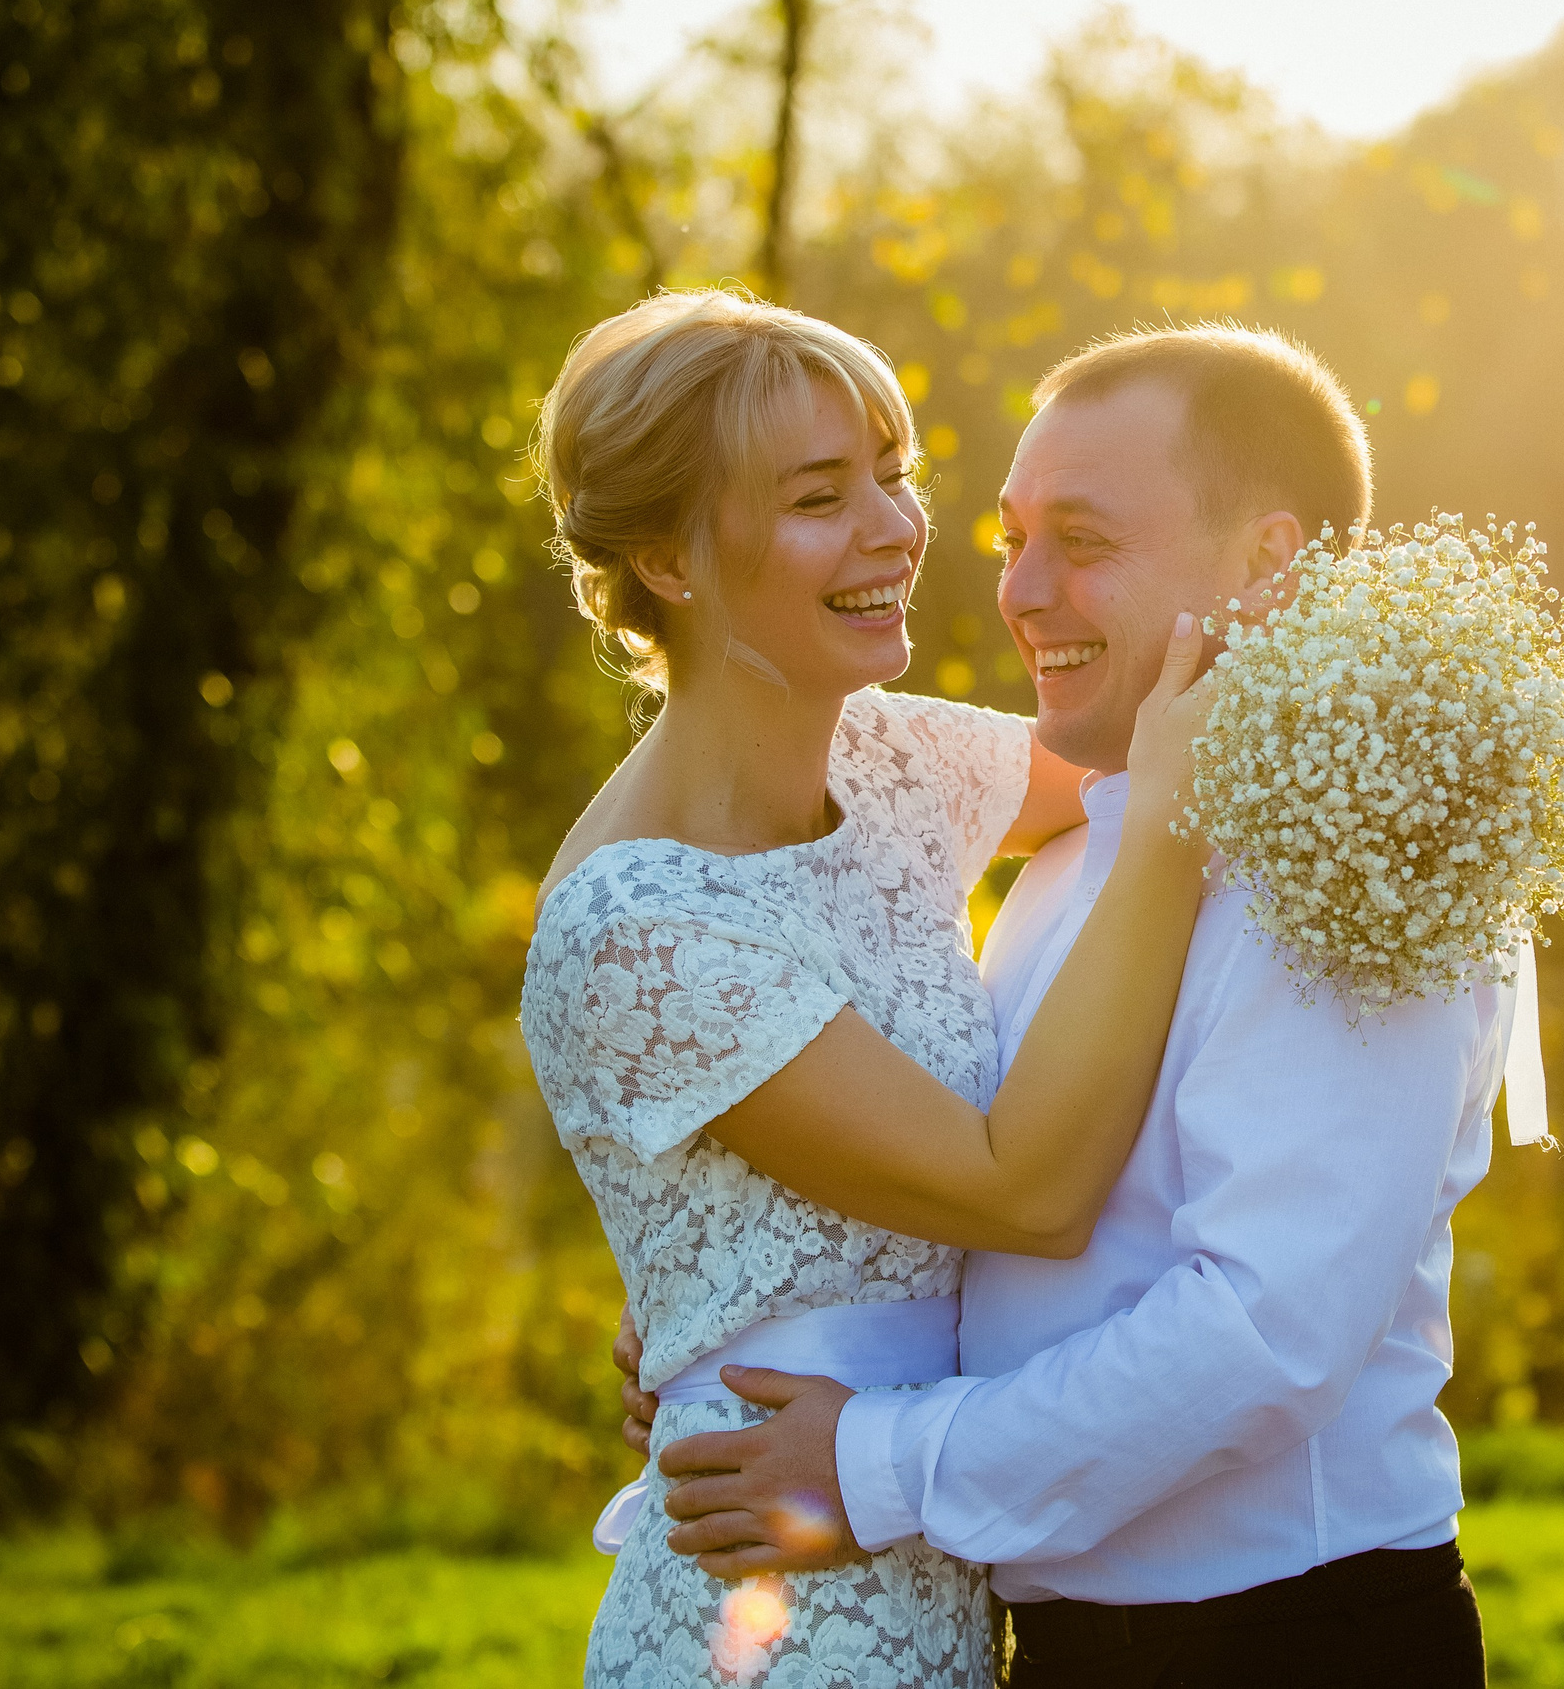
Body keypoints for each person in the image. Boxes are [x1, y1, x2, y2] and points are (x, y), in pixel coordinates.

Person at [636, 325, 1519, 1688]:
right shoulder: (1074, 850)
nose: (1022, 594)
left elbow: (1267, 1329)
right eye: (1009, 542)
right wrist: (750, 1324)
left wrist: (874, 1464)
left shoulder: (1354, 865)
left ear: (1268, 563)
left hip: (1284, 1639)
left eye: (1085, 544)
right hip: (1059, 1644)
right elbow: (1013, 1211)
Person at [517, 289, 1218, 1688]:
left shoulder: (892, 756)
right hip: (769, 1621)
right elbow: (1025, 1187)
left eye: (894, 477)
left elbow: (1156, 745)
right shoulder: (637, 924)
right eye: (820, 497)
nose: (894, 529)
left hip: (931, 1552)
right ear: (666, 554)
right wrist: (1172, 836)